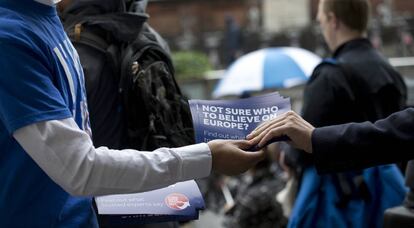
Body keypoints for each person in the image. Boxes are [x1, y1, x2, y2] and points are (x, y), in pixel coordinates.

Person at [0, 1, 265, 227]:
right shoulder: (13, 37)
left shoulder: (46, 17)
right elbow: (82, 168)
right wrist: (205, 159)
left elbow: (168, 119)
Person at [281, 0, 407, 227]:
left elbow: (305, 143)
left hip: (340, 204)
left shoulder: (329, 75)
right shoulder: (390, 71)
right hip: (388, 195)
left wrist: (288, 156)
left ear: (333, 20)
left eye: (321, 21)